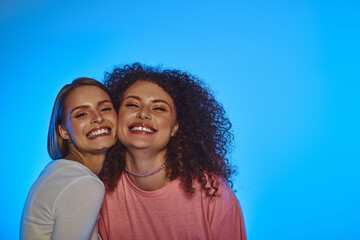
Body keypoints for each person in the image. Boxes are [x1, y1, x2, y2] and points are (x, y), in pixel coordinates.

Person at [98, 63, 246, 239]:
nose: (144, 114)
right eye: (132, 105)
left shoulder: (212, 191)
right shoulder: (100, 190)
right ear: (116, 116)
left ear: (175, 127)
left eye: (159, 108)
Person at [20, 78, 117, 240]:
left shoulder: (59, 171)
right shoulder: (84, 183)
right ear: (63, 131)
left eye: (105, 108)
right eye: (82, 114)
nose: (98, 118)